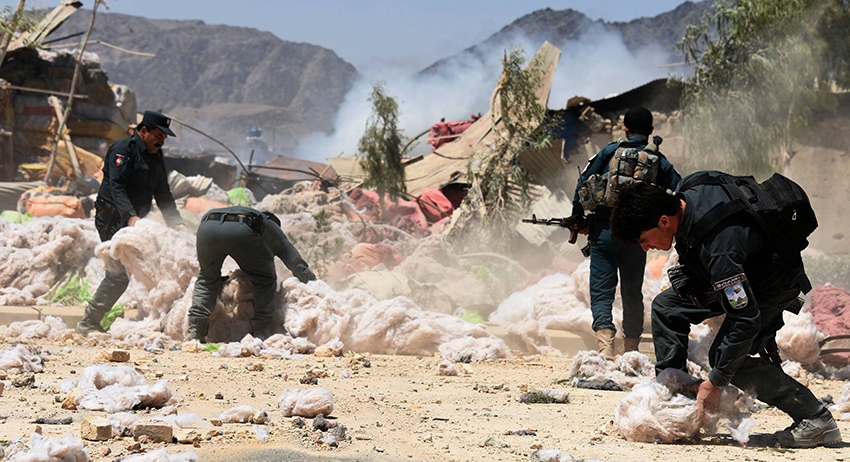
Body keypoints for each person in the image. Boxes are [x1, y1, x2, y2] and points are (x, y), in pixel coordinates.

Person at [608, 175, 841, 448]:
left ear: (663, 221)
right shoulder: (688, 190)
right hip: (739, 273)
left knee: (728, 357)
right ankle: (677, 392)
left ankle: (815, 418)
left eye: (644, 240)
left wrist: (716, 383)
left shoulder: (719, 247)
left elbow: (745, 318)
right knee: (666, 307)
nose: (646, 248)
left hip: (771, 285)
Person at [571, 107, 681, 358]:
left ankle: (605, 347)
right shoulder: (657, 160)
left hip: (604, 232)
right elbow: (679, 190)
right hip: (637, 237)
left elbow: (582, 184)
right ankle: (631, 348)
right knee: (632, 293)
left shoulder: (609, 152)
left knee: (601, 291)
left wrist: (578, 217)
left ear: (626, 129)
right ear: (651, 130)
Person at [76, 111, 186, 336]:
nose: (162, 141)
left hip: (133, 221)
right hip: (112, 217)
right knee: (118, 273)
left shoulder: (156, 155)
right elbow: (116, 187)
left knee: (144, 268)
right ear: (144, 131)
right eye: (159, 135)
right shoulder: (123, 150)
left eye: (164, 137)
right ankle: (88, 322)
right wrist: (130, 217)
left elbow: (163, 192)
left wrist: (176, 222)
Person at [186, 206, 317, 342]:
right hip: (243, 229)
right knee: (265, 280)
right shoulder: (271, 227)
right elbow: (293, 259)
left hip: (207, 226)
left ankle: (195, 331)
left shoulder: (252, 216)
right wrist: (313, 284)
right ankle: (261, 331)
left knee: (207, 279)